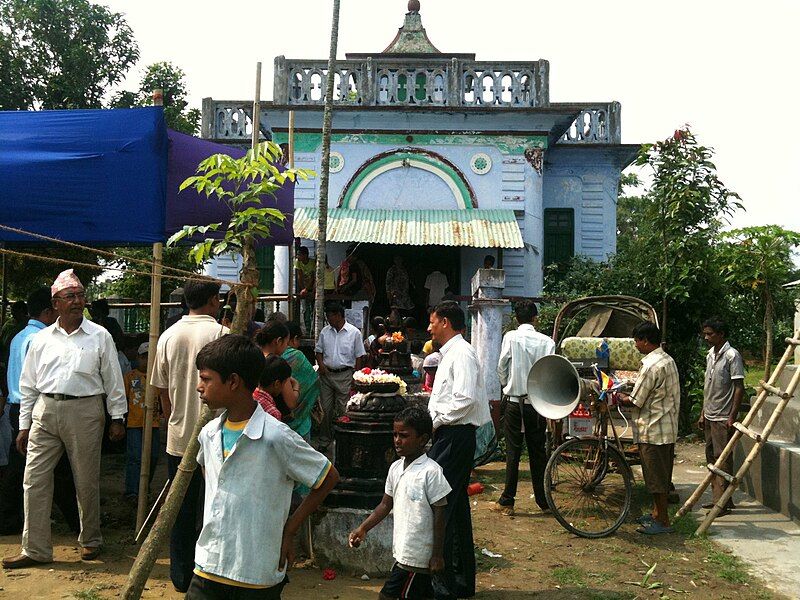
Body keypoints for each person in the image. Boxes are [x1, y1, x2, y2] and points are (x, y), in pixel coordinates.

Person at [188, 334, 339, 598]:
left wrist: (290, 530)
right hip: (209, 563)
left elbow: (327, 477)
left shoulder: (276, 436)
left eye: (206, 379)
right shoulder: (208, 433)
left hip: (256, 570)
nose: (199, 386)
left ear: (233, 381)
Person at [2, 270, 126, 568]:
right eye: (70, 297)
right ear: (55, 303)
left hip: (85, 411)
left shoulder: (100, 336)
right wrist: (24, 426)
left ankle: (90, 540)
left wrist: (118, 417)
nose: (77, 301)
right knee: (33, 479)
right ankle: (35, 549)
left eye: (81, 295)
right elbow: (28, 384)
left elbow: (113, 379)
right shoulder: (41, 339)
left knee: (85, 478)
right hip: (45, 410)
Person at [151, 278, 228, 592]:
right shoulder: (221, 334)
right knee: (213, 507)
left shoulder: (168, 335)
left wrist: (173, 419)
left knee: (181, 509)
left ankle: (181, 575)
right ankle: (208, 572)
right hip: (219, 435)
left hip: (179, 435)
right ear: (212, 300)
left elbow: (161, 393)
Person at [0, 287, 79, 537]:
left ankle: (9, 516)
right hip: (34, 409)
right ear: (49, 311)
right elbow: (37, 382)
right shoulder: (42, 339)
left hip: (18, 407)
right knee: (57, 469)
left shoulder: (19, 336)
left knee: (21, 468)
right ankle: (78, 522)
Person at [349, 407, 451, 600]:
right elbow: (385, 505)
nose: (397, 440)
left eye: (403, 435)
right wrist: (363, 528)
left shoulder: (431, 472)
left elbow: (440, 515)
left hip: (418, 556)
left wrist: (437, 554)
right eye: (395, 434)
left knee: (387, 596)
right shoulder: (395, 468)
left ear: (422, 439)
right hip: (402, 552)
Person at [426, 301, 491, 599]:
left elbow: (464, 400)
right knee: (456, 508)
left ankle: (444, 584)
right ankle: (461, 582)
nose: (429, 328)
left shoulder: (461, 354)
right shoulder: (451, 353)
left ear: (446, 322)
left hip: (454, 435)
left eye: (433, 322)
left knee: (443, 508)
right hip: (451, 435)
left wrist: (436, 420)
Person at [492, 299, 555, 516]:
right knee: (538, 453)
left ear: (516, 319)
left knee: (513, 452)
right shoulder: (547, 341)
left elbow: (501, 366)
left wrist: (507, 384)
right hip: (536, 404)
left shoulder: (510, 337)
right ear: (535, 318)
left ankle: (507, 501)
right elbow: (550, 371)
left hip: (513, 403)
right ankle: (543, 501)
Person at [623, 322, 680, 535]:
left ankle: (663, 521)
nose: (636, 345)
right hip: (665, 426)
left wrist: (619, 398)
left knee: (655, 479)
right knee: (661, 476)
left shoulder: (651, 364)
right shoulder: (667, 360)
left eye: (637, 341)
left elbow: (636, 400)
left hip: (653, 428)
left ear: (645, 340)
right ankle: (657, 513)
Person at [700, 316, 745, 515]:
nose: (706, 337)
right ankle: (719, 498)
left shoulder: (732, 356)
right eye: (705, 334)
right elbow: (708, 387)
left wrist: (731, 416)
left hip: (722, 416)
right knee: (711, 457)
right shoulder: (710, 354)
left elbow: (738, 387)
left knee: (723, 459)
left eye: (710, 334)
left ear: (721, 335)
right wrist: (703, 413)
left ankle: (724, 503)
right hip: (709, 414)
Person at [314, 303, 366, 449]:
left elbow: (359, 356)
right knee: (325, 409)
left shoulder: (354, 333)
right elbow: (318, 351)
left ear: (338, 315)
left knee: (345, 409)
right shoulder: (325, 332)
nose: (328, 319)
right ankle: (324, 440)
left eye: (330, 316)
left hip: (344, 375)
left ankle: (345, 442)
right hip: (327, 375)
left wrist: (356, 376)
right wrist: (321, 365)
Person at [123, 342, 161, 500]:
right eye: (143, 357)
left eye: (149, 357)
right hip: (134, 423)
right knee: (135, 457)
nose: (146, 360)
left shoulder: (157, 378)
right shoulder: (130, 377)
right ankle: (132, 491)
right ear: (138, 357)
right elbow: (123, 398)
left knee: (152, 457)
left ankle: (144, 487)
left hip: (153, 424)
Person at [280, 324, 319, 442]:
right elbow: (313, 380)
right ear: (294, 339)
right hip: (299, 417)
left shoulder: (269, 356)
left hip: (276, 416)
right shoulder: (297, 356)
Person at [254, 355, 297, 421]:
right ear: (277, 384)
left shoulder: (249, 395)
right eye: (284, 383)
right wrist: (296, 386)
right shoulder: (273, 413)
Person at [295, 246, 315, 334]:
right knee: (306, 310)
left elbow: (313, 277)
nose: (297, 257)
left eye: (299, 255)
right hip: (304, 288)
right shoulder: (298, 262)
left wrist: (307, 289)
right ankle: (307, 329)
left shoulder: (312, 263)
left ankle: (314, 329)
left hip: (313, 289)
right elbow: (299, 276)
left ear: (305, 255)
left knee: (314, 309)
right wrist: (303, 289)